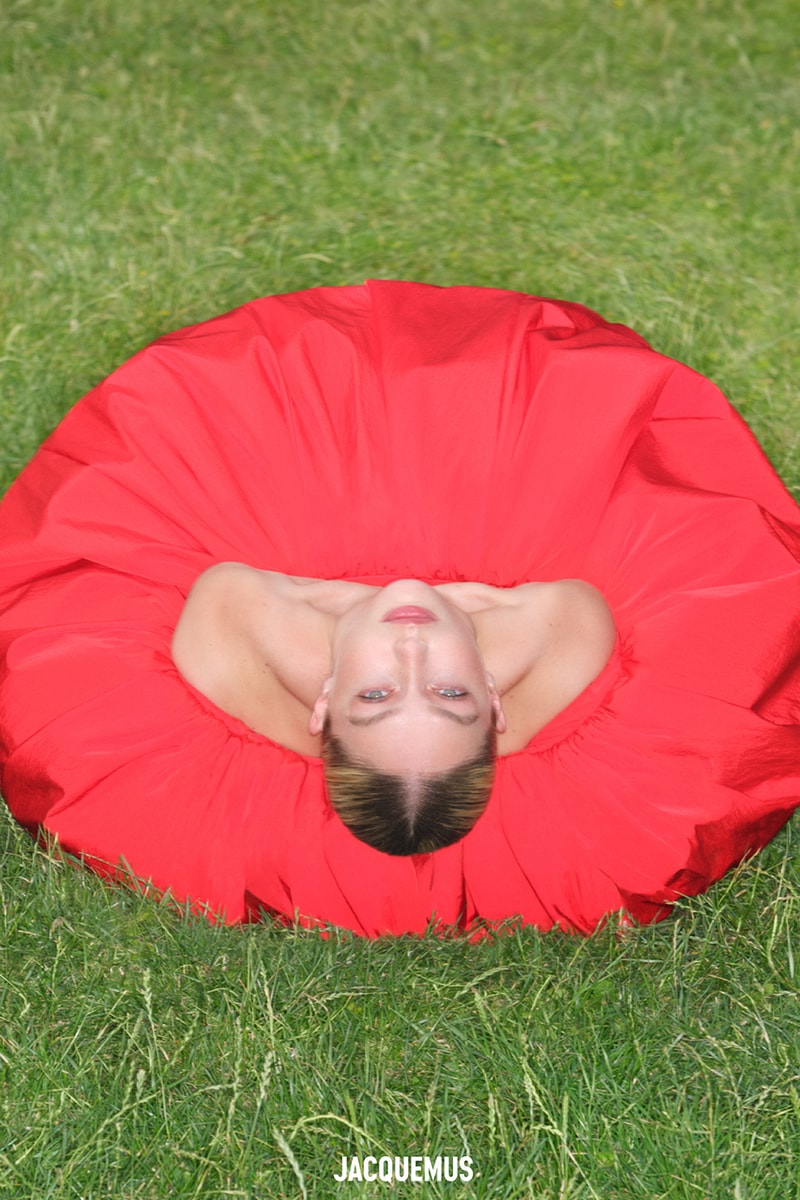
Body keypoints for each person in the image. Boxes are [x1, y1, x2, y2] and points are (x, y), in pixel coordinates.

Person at [171, 567, 617, 854]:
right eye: (450, 693)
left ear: (322, 700)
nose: (411, 650)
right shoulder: (566, 630)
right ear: (494, 696)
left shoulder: (230, 630)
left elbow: (221, 581)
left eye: (374, 696)